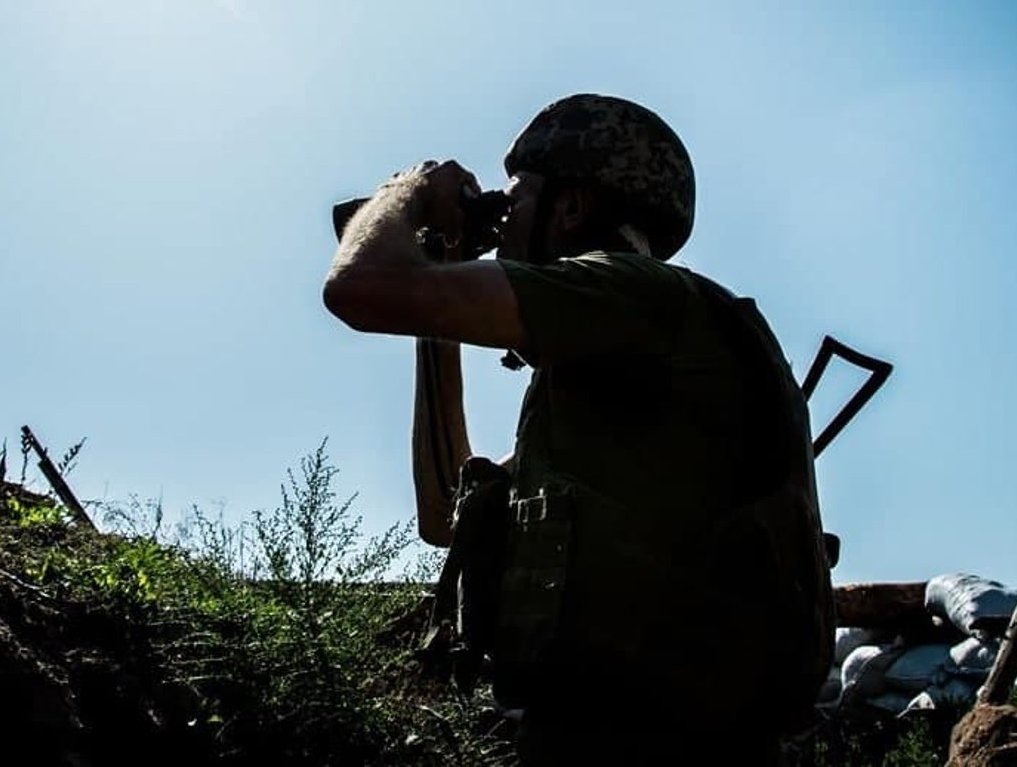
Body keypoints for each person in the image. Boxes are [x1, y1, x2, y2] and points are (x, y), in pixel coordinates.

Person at [323, 93, 834, 765]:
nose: (502, 228)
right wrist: (438, 310)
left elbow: (360, 287)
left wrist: (406, 193)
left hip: (655, 739)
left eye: (516, 202)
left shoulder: (638, 293)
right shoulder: (618, 371)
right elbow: (446, 515)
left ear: (570, 207)